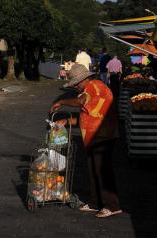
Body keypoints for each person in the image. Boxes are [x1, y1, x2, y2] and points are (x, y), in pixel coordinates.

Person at [50, 64, 122, 218]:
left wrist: (62, 103)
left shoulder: (93, 87)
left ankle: (112, 205)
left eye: (75, 84)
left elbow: (81, 101)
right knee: (93, 170)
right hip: (94, 136)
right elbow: (87, 115)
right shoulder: (91, 89)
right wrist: (67, 121)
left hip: (103, 135)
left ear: (82, 80)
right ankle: (96, 203)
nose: (76, 88)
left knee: (103, 171)